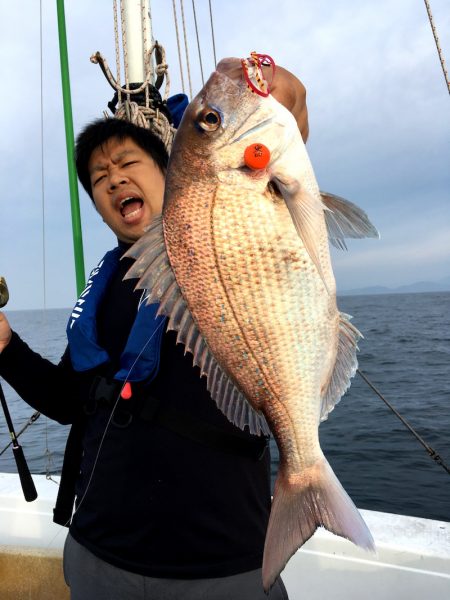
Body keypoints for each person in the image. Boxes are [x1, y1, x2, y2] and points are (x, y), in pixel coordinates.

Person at [0, 62, 308, 600]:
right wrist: (6, 349)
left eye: (126, 162)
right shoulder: (105, 287)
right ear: (99, 208)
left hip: (224, 564)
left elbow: (275, 149)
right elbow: (74, 400)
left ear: (173, 170)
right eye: (98, 178)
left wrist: (274, 104)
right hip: (100, 554)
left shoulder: (227, 240)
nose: (113, 178)